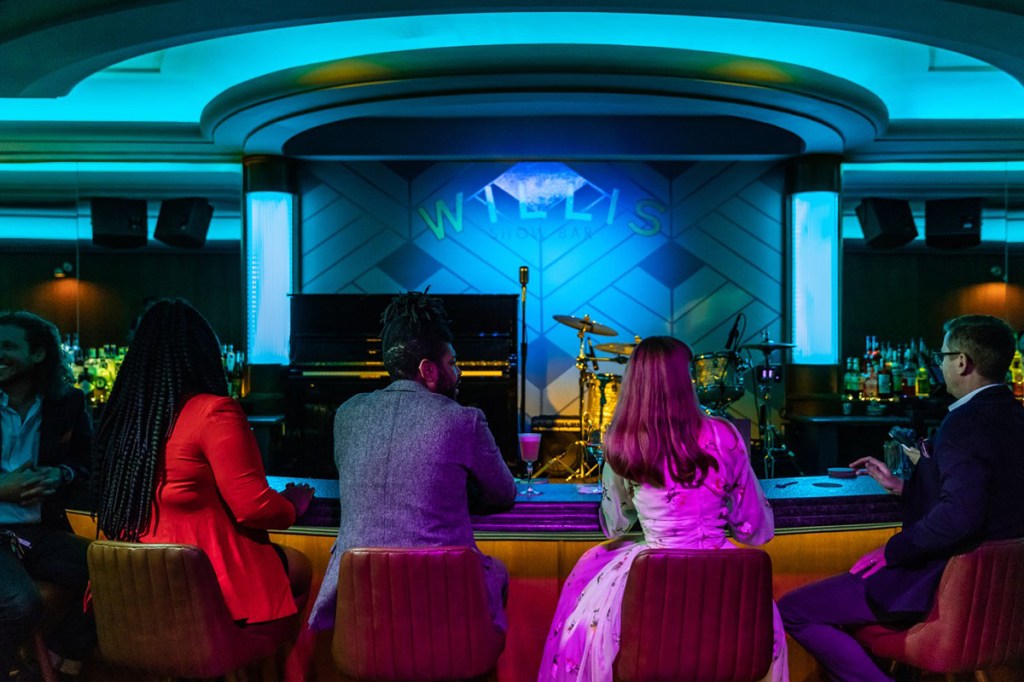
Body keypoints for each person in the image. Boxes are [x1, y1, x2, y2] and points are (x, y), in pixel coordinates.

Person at [779, 314, 1024, 682]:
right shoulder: (1014, 415)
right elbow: (994, 495)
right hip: (995, 603)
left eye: (942, 356)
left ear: (962, 362)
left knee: (795, 608)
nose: (938, 365)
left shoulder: (964, 422)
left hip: (941, 586)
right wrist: (906, 487)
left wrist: (893, 550)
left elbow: (960, 515)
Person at [539, 336, 788, 682]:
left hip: (654, 581)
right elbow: (756, 530)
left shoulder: (623, 440)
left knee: (583, 624)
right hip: (725, 586)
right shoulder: (724, 435)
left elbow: (615, 526)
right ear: (685, 379)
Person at [93, 299, 314, 630]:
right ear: (204, 354)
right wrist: (292, 507)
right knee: (302, 567)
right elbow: (253, 508)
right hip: (204, 579)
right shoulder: (214, 411)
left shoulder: (125, 417)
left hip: (133, 579)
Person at [308, 290, 517, 631]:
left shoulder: (346, 415)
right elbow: (503, 493)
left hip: (357, 616)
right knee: (498, 574)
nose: (460, 371)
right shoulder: (464, 420)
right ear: (428, 370)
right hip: (445, 614)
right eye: (453, 363)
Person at [0, 311, 94, 679]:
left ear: (39, 354)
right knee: (20, 604)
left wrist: (61, 473)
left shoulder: (66, 403)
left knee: (116, 574)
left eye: (8, 346)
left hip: (39, 531)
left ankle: (57, 657)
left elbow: (87, 464)